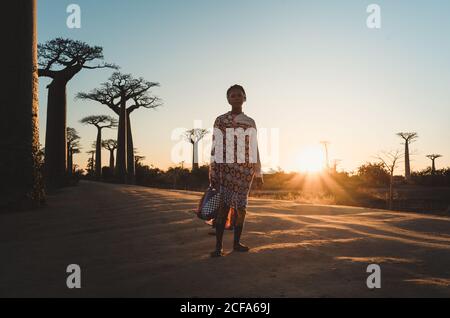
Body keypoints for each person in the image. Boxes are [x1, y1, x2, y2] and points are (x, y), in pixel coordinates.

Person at [209, 84, 263, 257]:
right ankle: (218, 247)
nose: (236, 97)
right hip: (224, 170)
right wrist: (213, 172)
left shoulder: (250, 121)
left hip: (244, 171)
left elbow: (254, 147)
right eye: (232, 95)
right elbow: (215, 147)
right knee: (223, 206)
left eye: (239, 95)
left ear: (244, 98)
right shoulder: (220, 120)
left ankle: (237, 243)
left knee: (241, 207)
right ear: (228, 99)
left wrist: (259, 173)